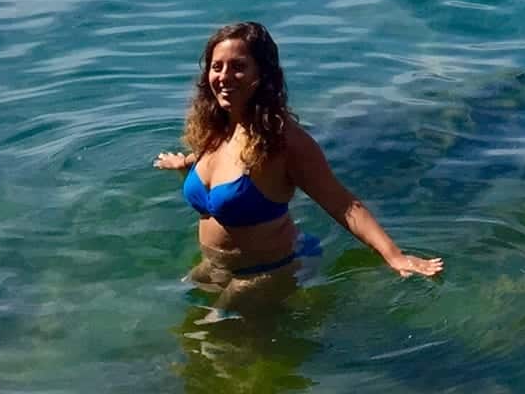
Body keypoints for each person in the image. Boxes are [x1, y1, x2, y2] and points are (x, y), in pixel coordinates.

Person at [155, 21, 442, 307]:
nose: (224, 76)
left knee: (211, 339)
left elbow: (342, 203)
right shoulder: (215, 129)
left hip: (267, 271)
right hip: (216, 265)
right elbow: (216, 172)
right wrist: (186, 166)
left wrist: (394, 255)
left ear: (262, 74)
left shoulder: (283, 142)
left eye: (238, 66)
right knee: (183, 326)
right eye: (217, 67)